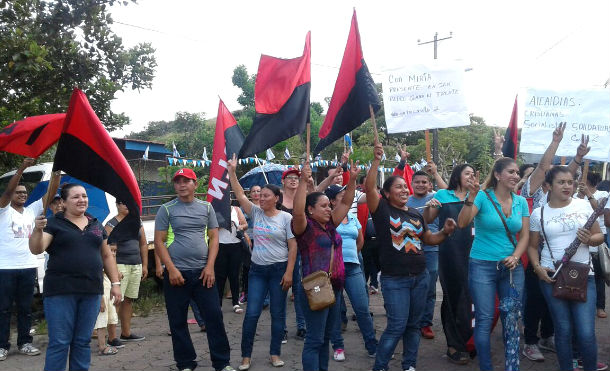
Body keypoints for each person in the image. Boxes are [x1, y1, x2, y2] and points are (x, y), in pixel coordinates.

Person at [367, 143, 456, 371]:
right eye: (398, 187)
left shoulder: (416, 214)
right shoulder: (382, 210)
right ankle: (380, 366)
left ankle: (409, 366)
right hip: (394, 279)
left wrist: (445, 232)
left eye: (405, 187)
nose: (405, 190)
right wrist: (376, 161)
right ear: (386, 194)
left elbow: (428, 239)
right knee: (396, 326)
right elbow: (369, 189)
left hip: (420, 277)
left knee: (414, 326)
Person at [29, 183, 122, 371]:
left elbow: (106, 255)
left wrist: (115, 283)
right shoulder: (53, 223)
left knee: (82, 341)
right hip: (60, 292)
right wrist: (37, 229)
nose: (82, 200)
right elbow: (37, 248)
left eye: (84, 196)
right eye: (76, 197)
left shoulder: (96, 224)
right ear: (63, 202)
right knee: (60, 342)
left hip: (91, 291)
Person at [520, 125, 590, 362]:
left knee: (557, 301)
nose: (564, 183)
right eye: (550, 176)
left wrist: (578, 158)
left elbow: (565, 173)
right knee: (535, 300)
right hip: (537, 257)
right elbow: (542, 168)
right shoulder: (530, 192)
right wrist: (555, 143)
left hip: (564, 260)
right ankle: (530, 341)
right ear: (545, 183)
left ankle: (548, 336)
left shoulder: (562, 195)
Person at [153, 168, 234, 371]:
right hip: (176, 273)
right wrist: (170, 269)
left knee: (214, 317)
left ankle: (222, 362)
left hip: (202, 273)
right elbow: (159, 241)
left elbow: (214, 237)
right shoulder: (167, 209)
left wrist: (210, 267)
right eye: (178, 181)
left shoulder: (206, 208)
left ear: (195, 184)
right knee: (178, 320)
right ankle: (185, 363)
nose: (181, 185)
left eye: (186, 181)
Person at [528, 166, 604, 371]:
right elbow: (533, 246)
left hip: (583, 275)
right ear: (549, 186)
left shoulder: (583, 206)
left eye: (570, 182)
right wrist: (537, 268)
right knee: (563, 329)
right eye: (561, 182)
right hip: (551, 275)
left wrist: (590, 238)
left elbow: (599, 237)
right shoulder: (539, 213)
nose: (567, 186)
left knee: (586, 331)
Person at [457, 157, 530, 371]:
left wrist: (516, 256)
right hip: (482, 265)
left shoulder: (521, 202)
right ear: (497, 175)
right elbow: (462, 223)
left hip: (512, 269)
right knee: (485, 319)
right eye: (511, 172)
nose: (516, 176)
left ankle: (512, 367)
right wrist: (471, 196)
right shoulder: (482, 197)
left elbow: (524, 235)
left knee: (511, 319)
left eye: (517, 172)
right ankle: (486, 367)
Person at [227, 154, 297, 370]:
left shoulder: (286, 218)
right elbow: (239, 194)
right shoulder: (255, 213)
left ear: (277, 198)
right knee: (252, 313)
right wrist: (232, 171)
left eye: (266, 196)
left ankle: (275, 354)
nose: (262, 199)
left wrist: (289, 273)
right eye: (261, 196)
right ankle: (246, 356)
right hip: (257, 271)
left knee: (278, 314)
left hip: (279, 271)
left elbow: (293, 246)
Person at [292, 161, 358, 371]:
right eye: (323, 206)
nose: (329, 209)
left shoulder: (330, 225)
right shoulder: (304, 228)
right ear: (310, 209)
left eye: (329, 205)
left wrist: (353, 179)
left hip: (335, 288)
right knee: (314, 339)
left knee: (327, 338)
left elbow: (346, 203)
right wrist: (303, 180)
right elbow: (298, 212)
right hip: (315, 289)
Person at [0, 158, 59, 362]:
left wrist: (57, 173)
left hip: (28, 267)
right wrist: (22, 168)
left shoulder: (32, 210)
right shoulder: (3, 210)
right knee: (4, 308)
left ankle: (25, 342)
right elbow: (6, 193)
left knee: (26, 308)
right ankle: (2, 346)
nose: (22, 194)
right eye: (19, 192)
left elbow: (50, 195)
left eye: (25, 192)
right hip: (4, 268)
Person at [424, 163, 476, 365]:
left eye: (473, 174)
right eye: (467, 173)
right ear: (457, 176)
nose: (471, 176)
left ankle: (470, 340)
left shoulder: (478, 197)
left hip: (476, 253)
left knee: (472, 298)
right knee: (453, 297)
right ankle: (454, 344)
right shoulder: (444, 195)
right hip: (450, 253)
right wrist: (431, 207)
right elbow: (428, 219)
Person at [325, 184, 378, 361]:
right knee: (334, 310)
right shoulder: (328, 219)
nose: (346, 197)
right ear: (332, 201)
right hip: (333, 270)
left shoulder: (353, 217)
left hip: (353, 267)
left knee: (362, 308)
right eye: (341, 195)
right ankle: (338, 346)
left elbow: (360, 240)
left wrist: (352, 254)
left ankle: (372, 345)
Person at [104, 200, 148, 345]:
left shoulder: (137, 221)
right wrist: (114, 270)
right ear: (117, 205)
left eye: (128, 202)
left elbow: (143, 244)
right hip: (120, 265)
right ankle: (111, 337)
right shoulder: (111, 224)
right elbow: (106, 249)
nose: (126, 205)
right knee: (116, 301)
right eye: (123, 203)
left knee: (129, 300)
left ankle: (126, 333)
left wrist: (145, 265)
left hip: (136, 264)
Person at [406, 170, 441, 341]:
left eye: (424, 182)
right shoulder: (405, 201)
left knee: (429, 288)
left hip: (432, 249)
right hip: (409, 249)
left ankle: (426, 323)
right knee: (409, 285)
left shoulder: (436, 199)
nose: (420, 185)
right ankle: (409, 321)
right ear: (411, 184)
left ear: (429, 184)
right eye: (417, 182)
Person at [576, 171, 609, 319]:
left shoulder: (603, 194)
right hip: (578, 237)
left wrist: (588, 194)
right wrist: (580, 195)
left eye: (579, 178)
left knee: (598, 275)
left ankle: (600, 306)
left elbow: (599, 211)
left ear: (588, 181)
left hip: (597, 237)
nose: (577, 180)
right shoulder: (576, 194)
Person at [280, 168, 307, 341]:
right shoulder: (278, 199)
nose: (293, 180)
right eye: (289, 177)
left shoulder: (302, 197)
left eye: (296, 177)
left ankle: (302, 326)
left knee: (300, 289)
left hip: (302, 248)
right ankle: (281, 327)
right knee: (281, 290)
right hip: (281, 250)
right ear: (283, 181)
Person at [215, 204, 247, 313]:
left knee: (234, 275)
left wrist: (239, 227)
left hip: (235, 244)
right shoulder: (215, 208)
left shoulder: (236, 209)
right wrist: (223, 224)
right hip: (220, 245)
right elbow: (209, 228)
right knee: (220, 276)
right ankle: (218, 303)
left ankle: (235, 303)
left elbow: (245, 224)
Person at [93, 244, 120, 356]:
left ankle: (105, 342)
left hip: (108, 295)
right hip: (102, 294)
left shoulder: (111, 264)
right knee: (101, 320)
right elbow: (98, 282)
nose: (113, 253)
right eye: (111, 250)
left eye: (115, 251)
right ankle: (102, 346)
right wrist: (101, 300)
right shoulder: (99, 265)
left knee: (109, 318)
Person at [239, 185, 261, 305]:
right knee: (247, 267)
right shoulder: (244, 208)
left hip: (261, 240)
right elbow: (239, 223)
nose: (256, 193)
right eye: (253, 191)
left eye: (258, 191)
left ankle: (259, 294)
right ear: (250, 194)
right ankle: (245, 292)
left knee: (259, 267)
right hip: (247, 239)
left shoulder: (265, 207)